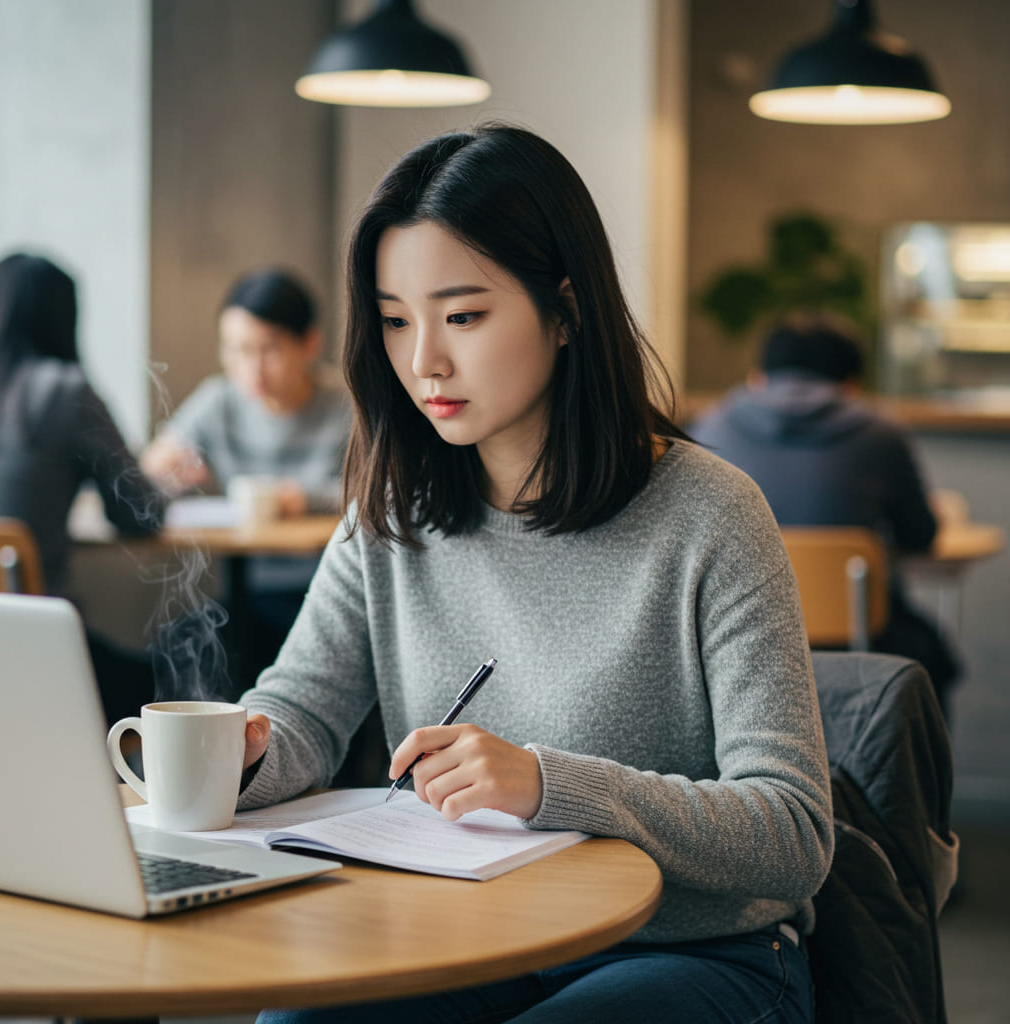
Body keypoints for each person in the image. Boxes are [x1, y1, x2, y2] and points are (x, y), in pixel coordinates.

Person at [233, 123, 833, 1023]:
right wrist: (236, 753)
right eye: (397, 320)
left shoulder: (710, 512)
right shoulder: (390, 509)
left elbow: (792, 831)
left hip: (697, 951)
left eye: (463, 316)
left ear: (564, 310)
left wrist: (553, 786)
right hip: (472, 933)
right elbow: (304, 714)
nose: (424, 360)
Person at [689, 314, 960, 717]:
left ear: (757, 377)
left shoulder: (710, 426)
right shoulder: (881, 434)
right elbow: (920, 535)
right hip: (859, 644)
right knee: (932, 659)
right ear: (852, 383)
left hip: (730, 642)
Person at [141, 268, 353, 691]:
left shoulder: (345, 405)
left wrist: (301, 498)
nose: (251, 368)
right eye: (236, 350)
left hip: (327, 593)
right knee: (180, 648)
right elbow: (151, 465)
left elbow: (374, 493)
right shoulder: (219, 400)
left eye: (268, 349)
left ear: (309, 343)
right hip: (245, 591)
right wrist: (173, 471)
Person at [0, 251, 166, 723]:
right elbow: (140, 513)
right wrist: (166, 485)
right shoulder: (63, 390)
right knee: (167, 681)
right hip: (30, 647)